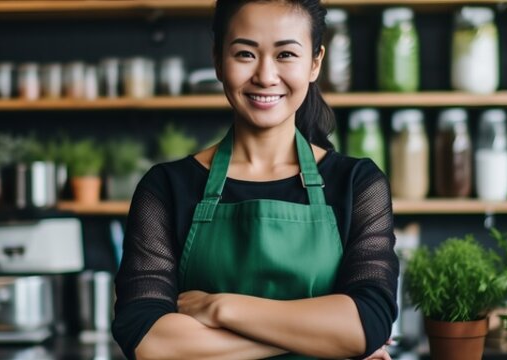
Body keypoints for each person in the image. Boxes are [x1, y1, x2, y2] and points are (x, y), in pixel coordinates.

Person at [112, 0, 398, 359]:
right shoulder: (166, 188)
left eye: (286, 55)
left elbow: (367, 321)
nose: (265, 75)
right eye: (245, 54)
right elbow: (149, 342)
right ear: (218, 59)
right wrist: (328, 338)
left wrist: (221, 308)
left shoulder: (358, 183)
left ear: (315, 63)